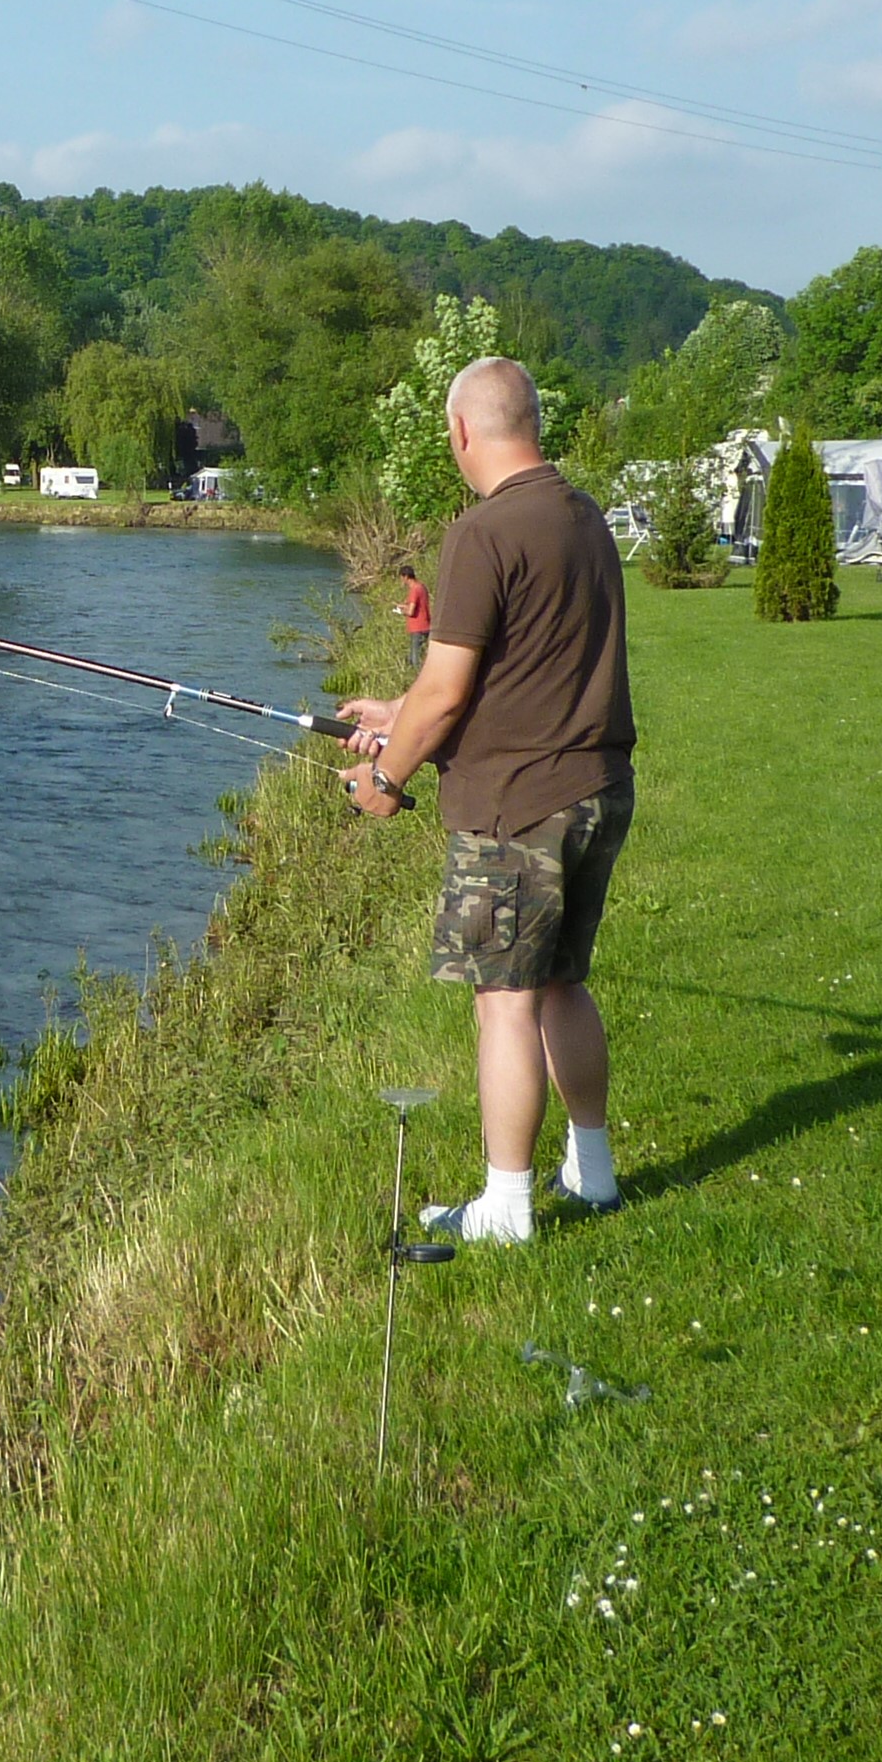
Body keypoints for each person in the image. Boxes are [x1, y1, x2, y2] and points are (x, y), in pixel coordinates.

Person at [334, 356, 638, 1246]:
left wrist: (385, 778)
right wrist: (402, 714)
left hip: (518, 809)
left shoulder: (481, 531)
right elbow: (514, 669)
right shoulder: (584, 517)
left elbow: (449, 689)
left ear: (463, 430)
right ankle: (594, 1169)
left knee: (504, 1000)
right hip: (596, 790)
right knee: (559, 986)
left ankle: (506, 1207)